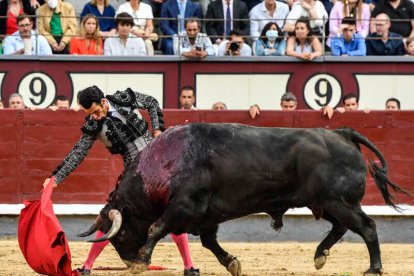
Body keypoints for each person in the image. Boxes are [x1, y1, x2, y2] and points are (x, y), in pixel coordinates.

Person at [42, 86, 200, 276]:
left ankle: (189, 266)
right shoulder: (93, 125)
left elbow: (151, 102)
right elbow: (78, 153)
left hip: (159, 166)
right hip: (134, 175)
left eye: (96, 112)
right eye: (90, 114)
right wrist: (56, 178)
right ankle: (87, 266)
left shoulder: (123, 99)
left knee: (171, 211)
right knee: (111, 215)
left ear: (103, 102)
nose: (95, 117)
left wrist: (157, 130)